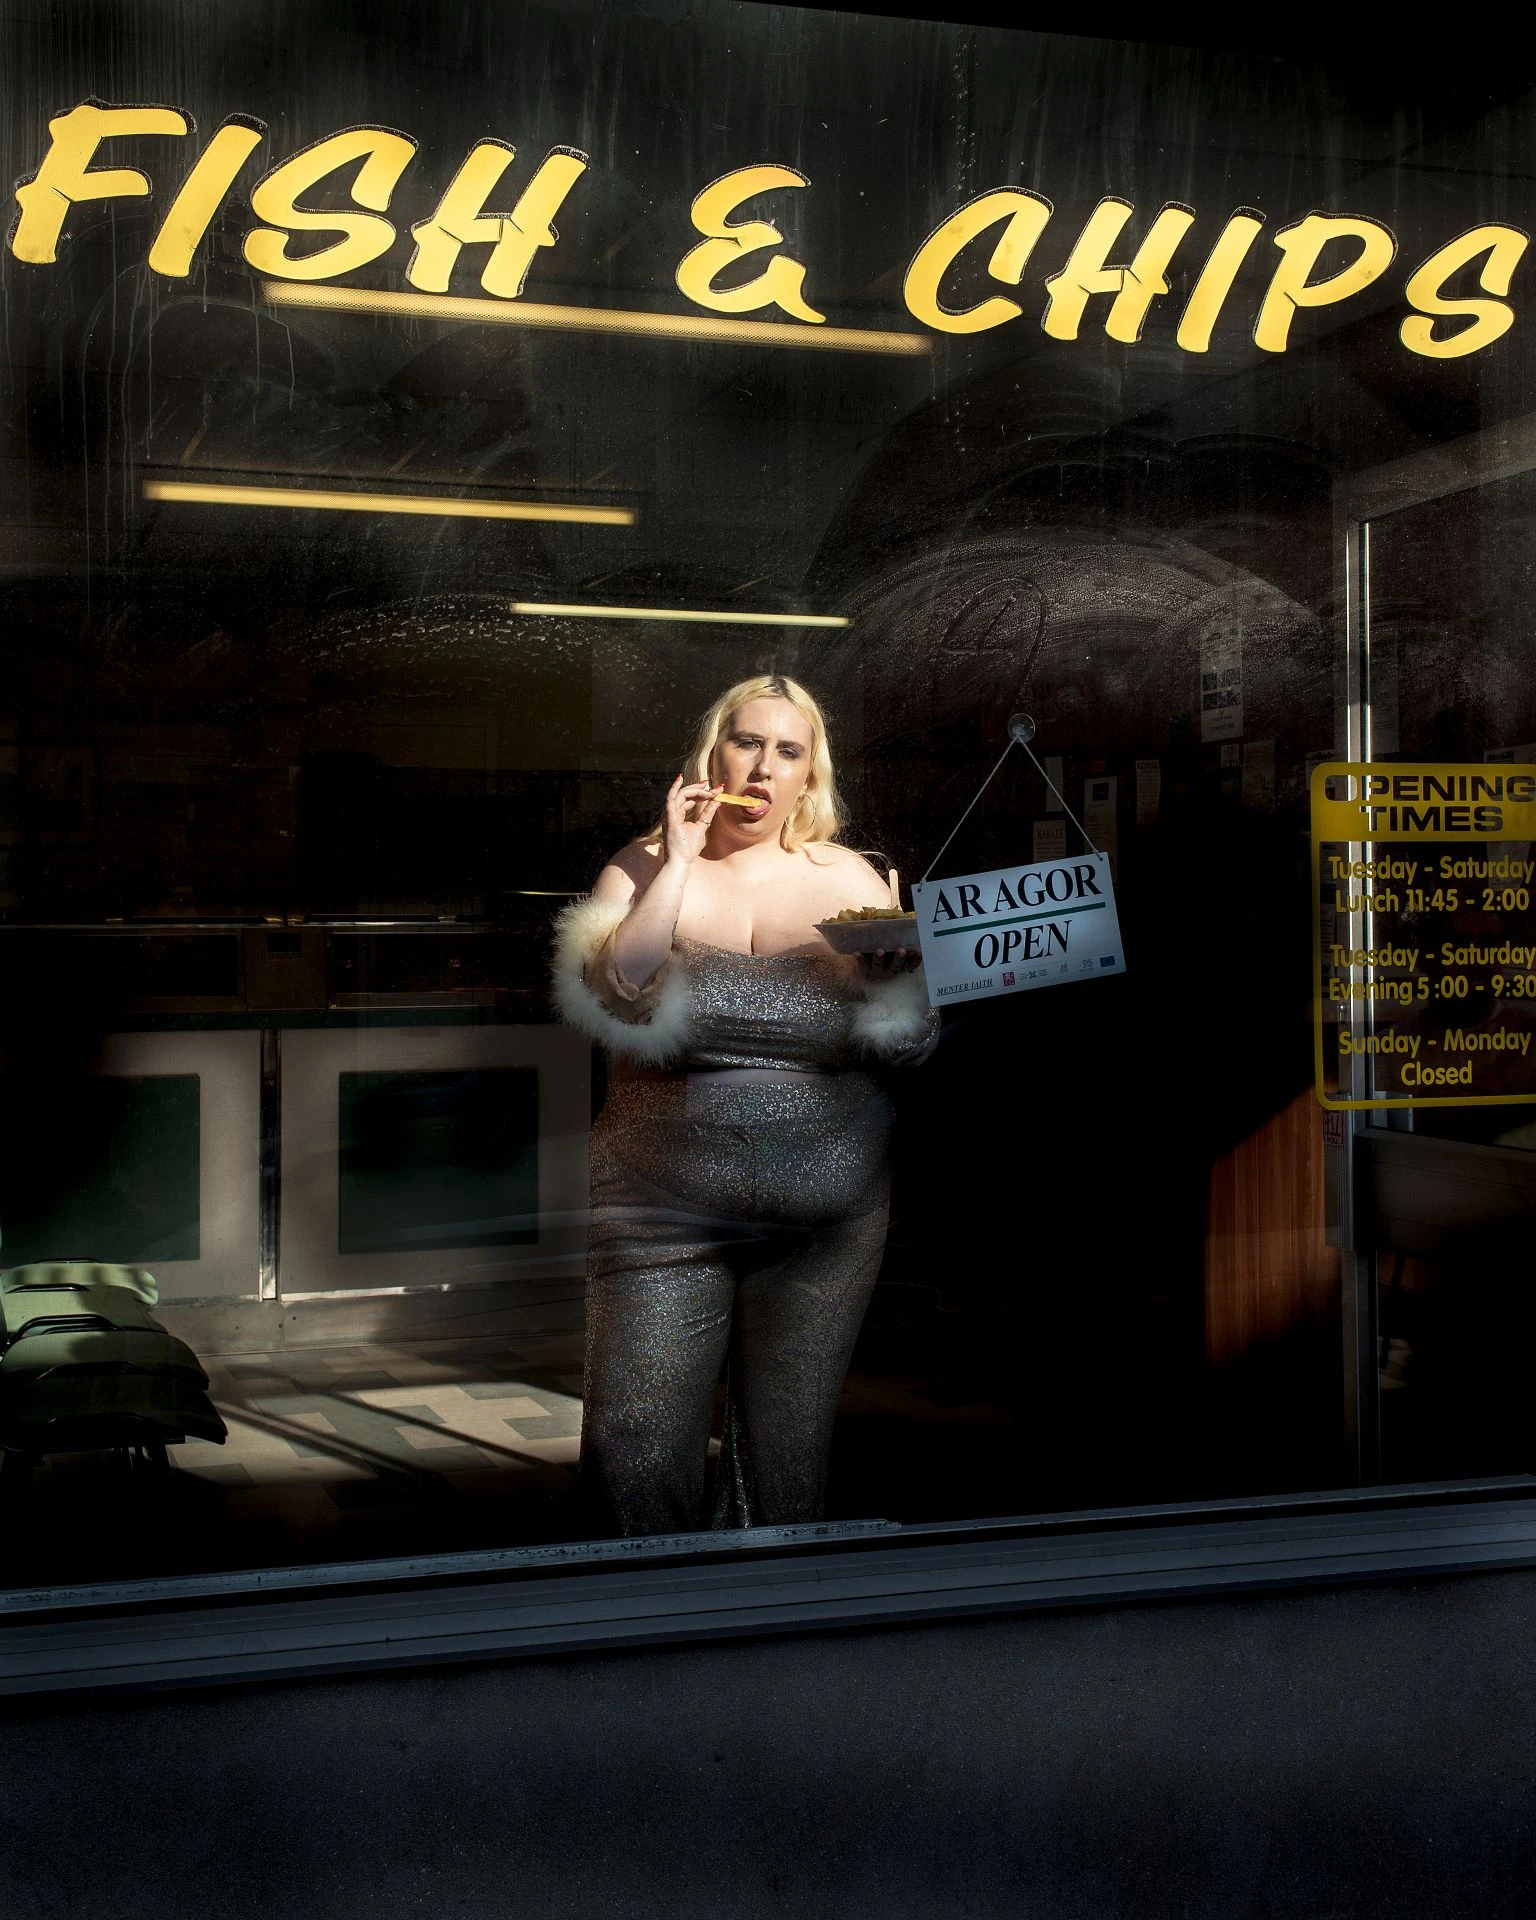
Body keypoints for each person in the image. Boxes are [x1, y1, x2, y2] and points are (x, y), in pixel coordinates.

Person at [552, 673, 938, 1536]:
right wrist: (679, 865)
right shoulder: (642, 866)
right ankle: (645, 1644)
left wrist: (898, 987)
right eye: (748, 743)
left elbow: (911, 1049)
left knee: (787, 1455)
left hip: (826, 1220)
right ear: (713, 753)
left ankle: (770, 1650)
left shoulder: (852, 878)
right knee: (635, 1444)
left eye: (788, 752)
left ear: (811, 775)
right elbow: (619, 995)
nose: (764, 768)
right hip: (660, 1206)